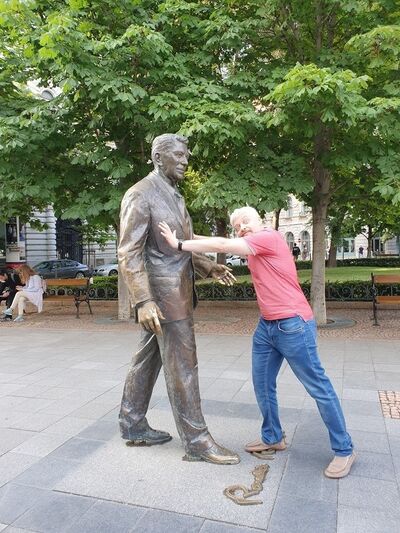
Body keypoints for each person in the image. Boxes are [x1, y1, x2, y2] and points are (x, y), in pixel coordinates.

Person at [159, 206, 355, 479]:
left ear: (259, 220)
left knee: (318, 387)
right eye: (237, 227)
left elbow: (223, 245)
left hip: (294, 325)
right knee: (262, 383)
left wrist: (179, 244)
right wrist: (185, 233)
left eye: (245, 222)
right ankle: (273, 436)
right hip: (267, 327)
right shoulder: (253, 244)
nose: (242, 228)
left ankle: (344, 449)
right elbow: (221, 241)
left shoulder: (268, 237)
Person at [118, 133, 240, 465]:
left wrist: (208, 266)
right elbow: (129, 252)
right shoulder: (141, 194)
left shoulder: (173, 195)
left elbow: (179, 245)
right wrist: (143, 301)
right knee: (184, 367)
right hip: (163, 298)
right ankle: (197, 441)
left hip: (174, 293)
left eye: (186, 155)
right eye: (178, 155)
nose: (185, 161)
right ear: (158, 157)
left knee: (146, 361)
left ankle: (132, 424)